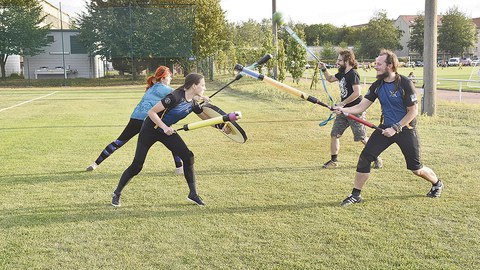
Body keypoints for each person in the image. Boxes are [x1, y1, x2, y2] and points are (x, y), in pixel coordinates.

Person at [334, 49, 443, 206]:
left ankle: (437, 183)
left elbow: (413, 111)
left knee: (416, 168)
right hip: (384, 129)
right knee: (365, 158)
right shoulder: (377, 85)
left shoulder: (405, 83)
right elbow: (361, 106)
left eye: (379, 64)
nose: (375, 66)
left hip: (405, 129)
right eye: (376, 63)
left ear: (390, 65)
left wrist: (396, 127)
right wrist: (343, 109)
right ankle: (356, 194)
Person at [111, 73, 211, 207]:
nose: (205, 88)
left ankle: (193, 194)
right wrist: (164, 127)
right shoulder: (174, 97)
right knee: (137, 165)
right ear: (194, 86)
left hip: (165, 131)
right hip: (150, 130)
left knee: (188, 157)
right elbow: (151, 112)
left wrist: (223, 125)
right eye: (202, 85)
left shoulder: (193, 102)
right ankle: (117, 193)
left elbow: (204, 117)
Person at [86, 66, 184, 174]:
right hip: (149, 121)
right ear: (163, 77)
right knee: (172, 138)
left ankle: (95, 164)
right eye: (170, 77)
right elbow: (181, 95)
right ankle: (179, 168)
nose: (171, 79)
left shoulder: (152, 87)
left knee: (119, 142)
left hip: (135, 118)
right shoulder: (165, 89)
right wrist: (200, 96)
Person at [319, 49, 382, 169]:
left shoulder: (353, 74)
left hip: (355, 110)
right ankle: (334, 161)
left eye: (340, 60)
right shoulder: (342, 73)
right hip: (342, 111)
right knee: (334, 134)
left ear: (347, 60)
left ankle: (376, 157)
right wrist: (323, 68)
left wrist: (342, 104)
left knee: (362, 137)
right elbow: (330, 79)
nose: (337, 62)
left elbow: (357, 93)